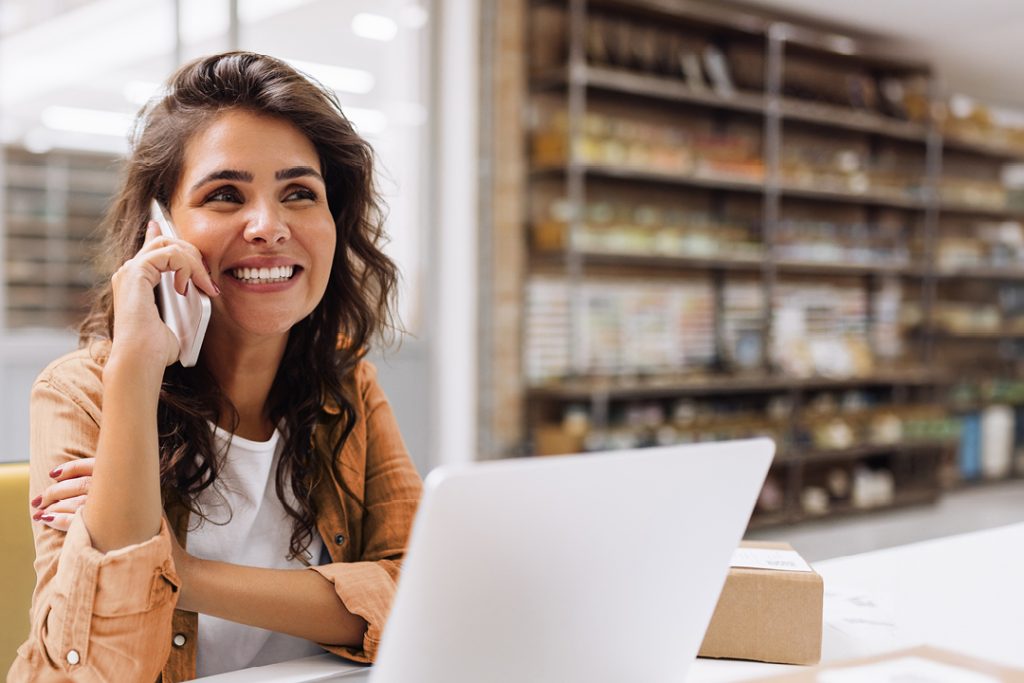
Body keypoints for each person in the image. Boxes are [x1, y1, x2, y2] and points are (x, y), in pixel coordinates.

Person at [9, 51, 423, 682]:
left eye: (299, 193)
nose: (269, 226)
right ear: (160, 227)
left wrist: (184, 574)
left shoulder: (344, 381)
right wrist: (135, 373)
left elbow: (420, 592)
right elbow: (94, 670)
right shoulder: (82, 393)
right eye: (226, 194)